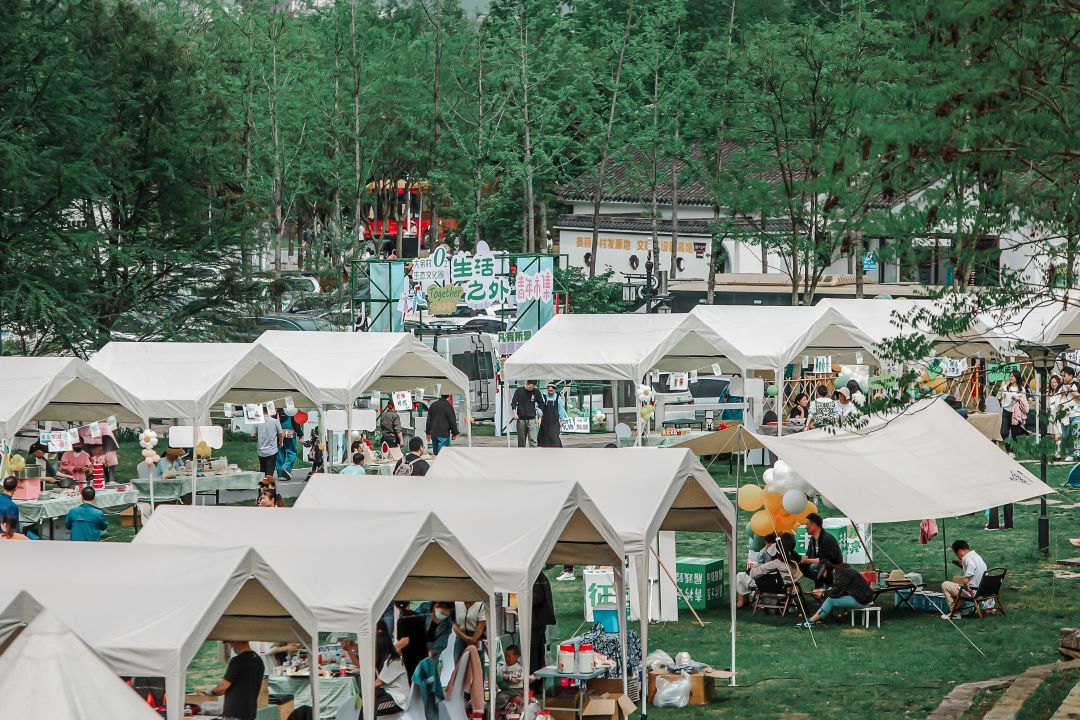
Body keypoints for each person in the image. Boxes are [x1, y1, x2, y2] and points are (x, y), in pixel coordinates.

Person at [340, 621, 410, 718]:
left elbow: (377, 683)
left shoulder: (393, 662)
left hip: (398, 701)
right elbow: (360, 664)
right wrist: (350, 650)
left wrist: (361, 696)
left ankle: (357, 713)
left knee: (368, 706)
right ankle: (354, 712)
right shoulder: (384, 660)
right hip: (388, 693)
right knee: (364, 699)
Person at [200, 641, 265, 720]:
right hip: (250, 712)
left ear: (236, 642)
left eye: (231, 643)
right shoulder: (259, 661)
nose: (232, 646)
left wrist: (211, 692)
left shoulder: (237, 660)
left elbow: (224, 686)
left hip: (234, 712)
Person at [797, 562, 874, 627]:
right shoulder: (841, 571)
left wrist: (823, 594)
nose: (823, 576)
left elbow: (836, 592)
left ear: (826, 570)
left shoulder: (839, 573)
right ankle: (816, 619)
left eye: (822, 573)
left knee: (830, 600)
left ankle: (812, 621)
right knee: (830, 598)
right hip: (864, 598)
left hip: (862, 600)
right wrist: (825, 591)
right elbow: (840, 589)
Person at [736, 533, 801, 607]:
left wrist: (751, 571)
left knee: (740, 576)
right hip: (791, 591)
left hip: (773, 588)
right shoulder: (794, 563)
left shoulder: (774, 563)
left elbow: (754, 574)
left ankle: (740, 602)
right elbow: (799, 577)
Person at [941, 539, 988, 620]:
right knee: (955, 578)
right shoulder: (976, 556)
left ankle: (955, 613)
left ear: (960, 551)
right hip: (984, 589)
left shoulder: (966, 558)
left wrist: (966, 579)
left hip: (974, 591)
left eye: (956, 554)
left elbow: (972, 565)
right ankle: (962, 609)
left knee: (945, 585)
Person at [798, 513, 842, 587]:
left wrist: (805, 560)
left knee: (813, 566)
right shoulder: (812, 540)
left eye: (807, 524)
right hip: (820, 565)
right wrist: (799, 560)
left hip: (832, 567)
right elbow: (809, 556)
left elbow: (825, 560)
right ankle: (817, 584)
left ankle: (823, 587)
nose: (806, 527)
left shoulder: (827, 539)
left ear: (814, 525)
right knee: (801, 566)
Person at [997, 370, 1029, 455]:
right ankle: (1008, 449)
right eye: (1010, 376)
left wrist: (1019, 399)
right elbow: (999, 398)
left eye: (1013, 376)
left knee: (1015, 433)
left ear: (1017, 377)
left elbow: (1024, 401)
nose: (1011, 378)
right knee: (1003, 432)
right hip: (1006, 411)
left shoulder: (1021, 389)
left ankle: (1014, 450)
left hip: (1017, 412)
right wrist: (1000, 392)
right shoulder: (1006, 387)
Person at [511, 380, 544, 448]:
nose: (531, 389)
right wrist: (514, 413)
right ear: (526, 384)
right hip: (521, 419)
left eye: (533, 387)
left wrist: (540, 416)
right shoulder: (519, 391)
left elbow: (541, 403)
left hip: (532, 419)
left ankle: (533, 454)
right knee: (521, 440)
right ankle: (522, 454)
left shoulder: (536, 391)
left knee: (533, 439)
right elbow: (513, 403)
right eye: (530, 387)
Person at [537, 383, 567, 448]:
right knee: (545, 436)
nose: (550, 392)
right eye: (549, 390)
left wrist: (562, 420)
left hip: (554, 421)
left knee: (554, 436)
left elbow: (561, 409)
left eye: (552, 391)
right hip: (545, 421)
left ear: (555, 390)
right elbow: (539, 407)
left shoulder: (558, 397)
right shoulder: (543, 396)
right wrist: (539, 413)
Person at [495, 644, 524, 711]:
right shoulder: (502, 667)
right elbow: (498, 677)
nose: (506, 658)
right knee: (495, 696)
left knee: (502, 697)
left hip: (516, 690)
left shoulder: (519, 668)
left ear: (516, 656)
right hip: (505, 689)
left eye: (509, 656)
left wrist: (507, 677)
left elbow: (517, 680)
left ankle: (496, 711)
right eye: (505, 656)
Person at [255, 410, 284, 477]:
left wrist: (258, 436)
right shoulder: (275, 421)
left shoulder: (257, 421)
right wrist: (281, 442)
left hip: (261, 450)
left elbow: (252, 434)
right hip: (272, 450)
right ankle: (268, 486)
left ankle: (263, 485)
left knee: (262, 470)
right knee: (270, 471)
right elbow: (280, 434)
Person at [1062, 367, 1080, 461]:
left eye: (1064, 375)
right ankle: (1069, 454)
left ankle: (1078, 452)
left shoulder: (1076, 385)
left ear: (1071, 375)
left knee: (1076, 434)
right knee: (1066, 435)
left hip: (1076, 413)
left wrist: (1071, 391)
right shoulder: (1061, 385)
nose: (1063, 377)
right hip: (1064, 415)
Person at [1046, 375, 1067, 460]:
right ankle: (1057, 452)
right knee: (1053, 436)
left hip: (1058, 414)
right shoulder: (1049, 393)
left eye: (1055, 382)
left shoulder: (1061, 391)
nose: (1053, 384)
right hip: (1051, 415)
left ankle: (1058, 454)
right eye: (1052, 382)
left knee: (1057, 435)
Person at [276, 409, 298, 481]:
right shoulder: (291, 409)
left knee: (279, 453)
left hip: (278, 433)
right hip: (289, 433)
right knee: (292, 452)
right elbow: (295, 423)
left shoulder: (276, 407)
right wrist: (300, 434)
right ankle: (286, 467)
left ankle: (280, 474)